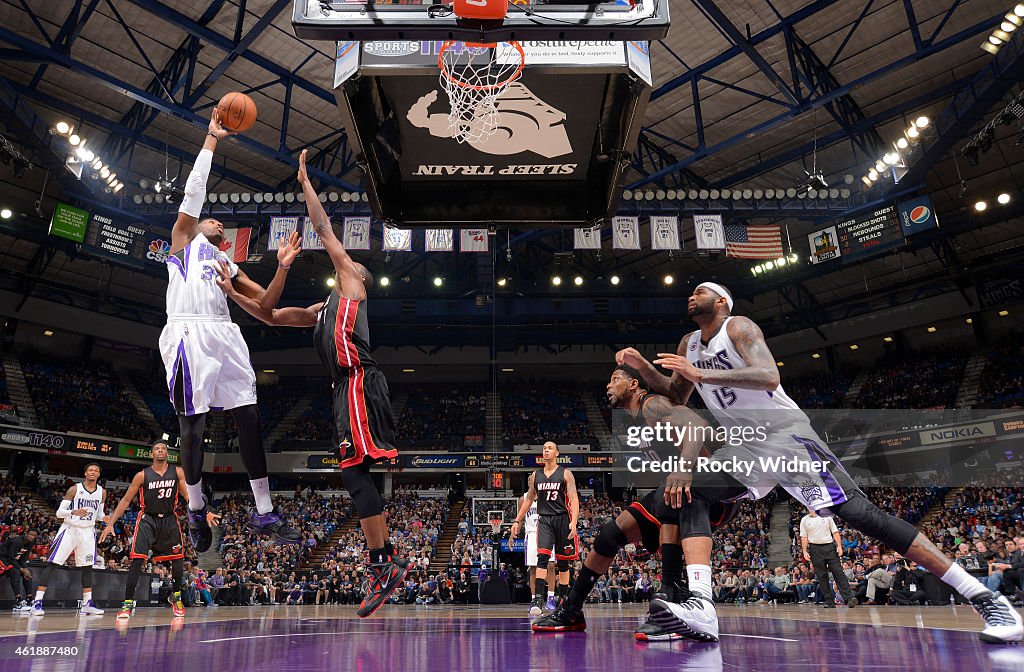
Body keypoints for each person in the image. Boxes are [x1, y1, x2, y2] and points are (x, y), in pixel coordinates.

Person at [618, 281, 1023, 644]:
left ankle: (983, 596)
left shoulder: (738, 327)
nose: (692, 296)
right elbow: (677, 392)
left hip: (784, 434)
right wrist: (643, 368)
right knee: (690, 489)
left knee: (863, 515)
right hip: (745, 442)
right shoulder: (690, 342)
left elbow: (768, 376)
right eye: (691, 293)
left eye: (700, 291)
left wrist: (702, 372)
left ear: (722, 301)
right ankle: (702, 606)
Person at [214, 149, 408, 618]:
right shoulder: (324, 309)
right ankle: (385, 565)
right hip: (343, 392)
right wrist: (231, 292)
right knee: (354, 475)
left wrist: (304, 183)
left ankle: (384, 565)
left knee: (353, 473)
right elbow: (273, 316)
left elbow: (323, 231)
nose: (345, 265)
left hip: (360, 382)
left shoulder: (353, 287)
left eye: (349, 264)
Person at [160, 109, 299, 553]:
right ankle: (197, 509)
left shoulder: (226, 263)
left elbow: (264, 306)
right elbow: (193, 192)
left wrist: (281, 268)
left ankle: (263, 511)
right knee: (193, 425)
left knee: (250, 417)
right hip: (187, 334)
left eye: (222, 224)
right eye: (213, 220)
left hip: (225, 333)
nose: (218, 223)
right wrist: (211, 139)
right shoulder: (182, 245)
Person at [532, 365, 738, 639]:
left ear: (633, 385)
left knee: (668, 498)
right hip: (677, 492)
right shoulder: (634, 421)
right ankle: (571, 609)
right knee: (608, 536)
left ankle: (672, 596)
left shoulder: (651, 404)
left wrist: (685, 469)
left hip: (710, 492)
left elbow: (698, 427)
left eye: (615, 378)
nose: (608, 385)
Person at [100, 441, 219, 620]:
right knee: (137, 560)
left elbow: (188, 496)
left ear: (167, 454)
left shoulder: (177, 471)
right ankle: (127, 604)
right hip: (147, 519)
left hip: (170, 519)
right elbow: (125, 500)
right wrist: (111, 523)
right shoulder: (142, 475)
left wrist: (205, 512)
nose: (160, 450)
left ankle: (176, 597)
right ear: (152, 454)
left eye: (163, 448)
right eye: (157, 449)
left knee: (178, 559)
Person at [509, 441, 579, 616]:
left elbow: (574, 497)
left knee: (563, 562)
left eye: (550, 448)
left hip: (563, 519)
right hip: (545, 520)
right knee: (542, 558)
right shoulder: (535, 475)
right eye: (544, 449)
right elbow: (529, 499)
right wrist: (517, 520)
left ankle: (562, 598)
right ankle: (538, 599)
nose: (546, 450)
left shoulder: (566, 474)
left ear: (557, 453)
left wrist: (574, 520)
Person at [30, 463, 107, 616]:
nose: (93, 472)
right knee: (53, 564)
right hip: (70, 529)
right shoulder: (74, 489)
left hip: (88, 532)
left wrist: (105, 517)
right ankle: (37, 603)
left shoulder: (102, 492)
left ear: (99, 474)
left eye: (96, 471)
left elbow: (99, 514)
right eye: (90, 470)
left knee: (87, 568)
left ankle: (87, 603)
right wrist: (74, 511)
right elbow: (59, 513)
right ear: (85, 473)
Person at [800, 507, 856, 608]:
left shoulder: (827, 516)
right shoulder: (804, 520)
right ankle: (829, 601)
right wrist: (804, 551)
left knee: (838, 571)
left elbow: (835, 532)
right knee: (821, 575)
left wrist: (839, 546)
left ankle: (849, 598)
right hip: (814, 548)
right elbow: (804, 537)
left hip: (829, 546)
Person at [520, 492, 556, 612]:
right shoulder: (523, 498)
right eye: (530, 480)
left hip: (547, 532)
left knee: (550, 565)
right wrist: (512, 535)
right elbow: (519, 518)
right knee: (533, 568)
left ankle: (550, 598)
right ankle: (534, 599)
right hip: (531, 535)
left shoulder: (546, 495)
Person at [0, 529, 36, 612]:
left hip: (12, 560)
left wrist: (25, 569)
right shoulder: (17, 541)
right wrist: (22, 570)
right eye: (31, 534)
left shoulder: (31, 543)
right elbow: (10, 558)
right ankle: (18, 601)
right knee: (15, 571)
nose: (32, 537)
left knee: (29, 571)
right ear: (26, 534)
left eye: (34, 536)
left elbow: (23, 560)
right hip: (2, 559)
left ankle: (29, 600)